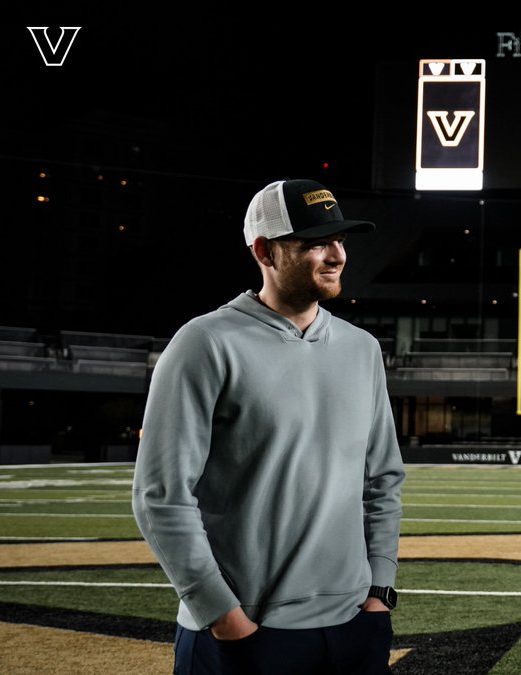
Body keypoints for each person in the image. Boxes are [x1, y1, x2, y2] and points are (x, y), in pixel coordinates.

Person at [132, 178, 406, 674]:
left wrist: (380, 591)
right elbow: (161, 495)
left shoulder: (361, 349)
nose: (337, 255)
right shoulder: (204, 343)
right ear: (264, 250)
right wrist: (222, 616)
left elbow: (382, 479)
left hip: (354, 629)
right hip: (245, 636)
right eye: (316, 243)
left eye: (340, 241)